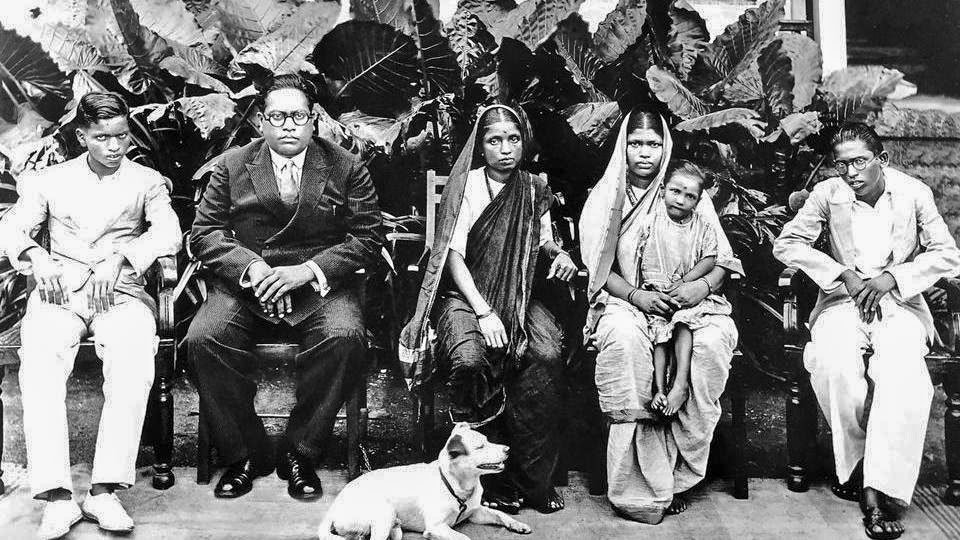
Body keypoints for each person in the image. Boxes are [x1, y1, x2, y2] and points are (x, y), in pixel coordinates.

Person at [185, 74, 383, 501]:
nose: (288, 125)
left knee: (346, 337)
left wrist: (308, 271)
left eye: (298, 116)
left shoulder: (347, 166)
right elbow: (204, 234)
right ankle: (245, 454)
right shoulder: (233, 165)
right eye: (277, 116)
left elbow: (368, 238)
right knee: (205, 338)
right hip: (248, 285)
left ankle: (300, 452)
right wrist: (251, 268)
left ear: (314, 121)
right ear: (260, 121)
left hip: (317, 286)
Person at [0, 92, 181, 539]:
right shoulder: (48, 180)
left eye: (121, 136)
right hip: (59, 292)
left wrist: (121, 259)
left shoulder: (147, 180)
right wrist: (38, 259)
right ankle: (57, 498)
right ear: (82, 136)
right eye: (103, 138)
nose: (115, 147)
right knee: (40, 360)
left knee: (135, 359)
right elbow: (12, 226)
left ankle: (104, 491)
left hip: (120, 294)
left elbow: (169, 232)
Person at [773, 123, 960, 540]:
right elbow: (786, 245)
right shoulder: (827, 194)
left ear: (883, 160)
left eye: (860, 161)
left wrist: (894, 277)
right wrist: (842, 273)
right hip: (843, 301)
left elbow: (949, 255)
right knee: (831, 362)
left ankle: (878, 490)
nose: (851, 173)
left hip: (899, 303)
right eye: (842, 165)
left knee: (901, 372)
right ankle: (858, 464)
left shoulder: (913, 192)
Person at [400, 104, 578, 515]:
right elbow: (452, 256)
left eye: (513, 139)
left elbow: (541, 241)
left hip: (517, 294)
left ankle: (530, 478)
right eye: (494, 140)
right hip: (465, 296)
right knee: (469, 358)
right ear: (480, 146)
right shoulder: (467, 186)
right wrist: (483, 311)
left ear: (524, 142)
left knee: (545, 354)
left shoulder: (533, 188)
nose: (505, 149)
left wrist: (559, 254)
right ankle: (486, 482)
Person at [578, 109, 743, 524]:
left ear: (665, 146)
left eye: (653, 144)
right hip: (626, 302)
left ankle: (677, 477)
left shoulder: (684, 190)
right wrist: (638, 296)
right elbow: (598, 272)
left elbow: (722, 259)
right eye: (636, 143)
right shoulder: (606, 197)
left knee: (708, 345)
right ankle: (635, 485)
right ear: (623, 147)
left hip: (693, 302)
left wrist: (698, 288)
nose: (645, 153)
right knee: (624, 342)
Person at [640, 160, 730, 417]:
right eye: (675, 192)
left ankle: (679, 384)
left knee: (682, 324)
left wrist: (688, 281)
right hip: (657, 292)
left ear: (699, 200)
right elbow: (635, 258)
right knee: (658, 336)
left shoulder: (702, 225)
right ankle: (659, 390)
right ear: (663, 190)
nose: (681, 200)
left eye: (690, 196)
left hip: (686, 294)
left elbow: (711, 257)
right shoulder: (650, 222)